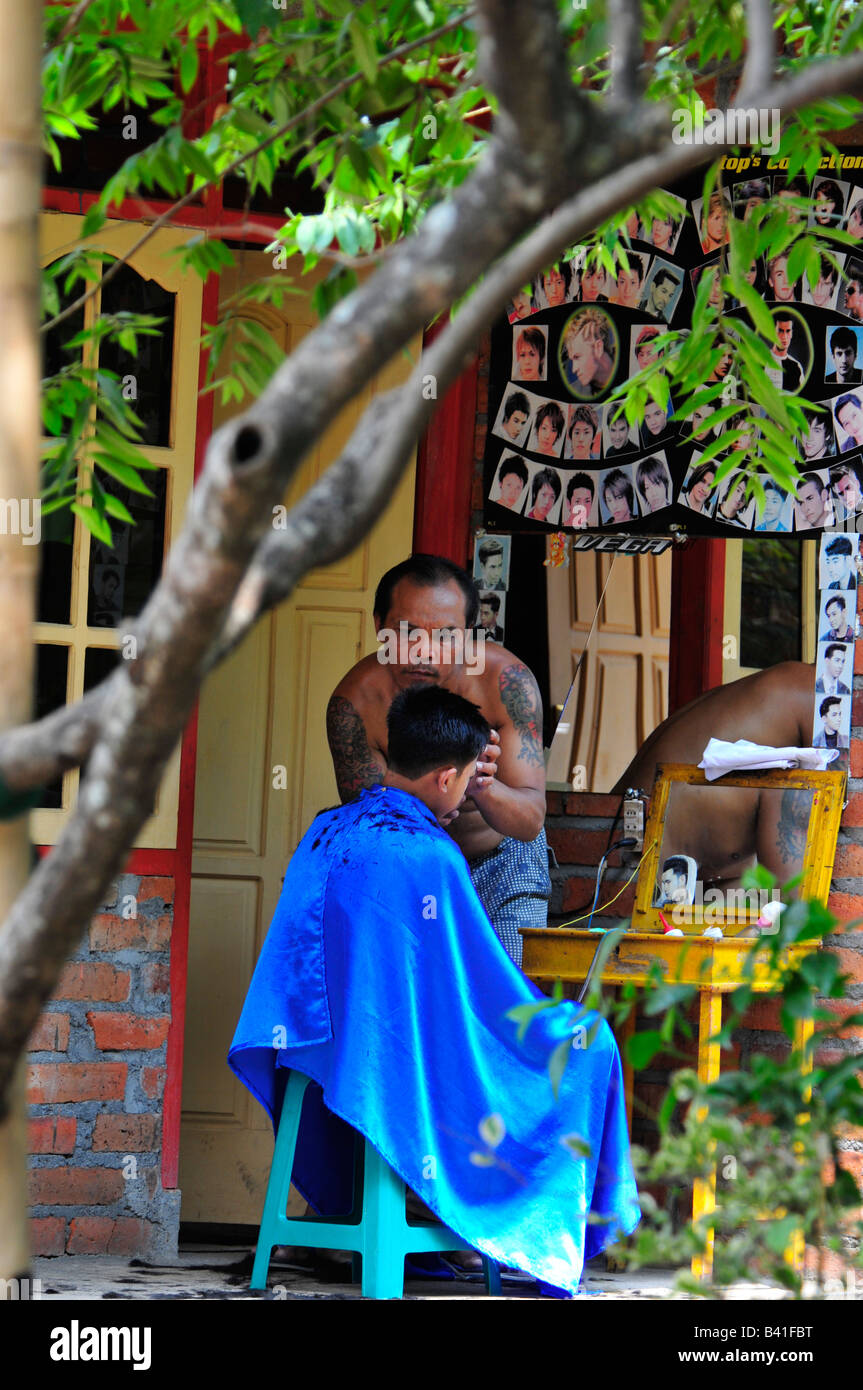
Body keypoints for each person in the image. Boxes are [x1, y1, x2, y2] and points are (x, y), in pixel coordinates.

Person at [232, 685, 640, 1295]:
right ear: (448, 777)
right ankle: (530, 1231)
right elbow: (485, 995)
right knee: (591, 1042)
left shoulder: (323, 832)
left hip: (322, 1049)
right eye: (470, 780)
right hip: (390, 1056)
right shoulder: (428, 855)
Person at [326, 556, 551, 968]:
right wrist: (447, 779)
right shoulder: (356, 703)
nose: (423, 652)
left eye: (446, 636)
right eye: (407, 632)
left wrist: (479, 781)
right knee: (408, 1005)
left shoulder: (507, 682)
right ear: (379, 626)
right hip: (406, 869)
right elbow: (380, 825)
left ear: (469, 635)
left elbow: (529, 821)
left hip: (501, 861)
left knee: (503, 1007)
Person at [611, 662, 821, 891]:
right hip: (635, 867)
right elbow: (792, 905)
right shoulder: (817, 691)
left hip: (622, 849)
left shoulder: (785, 685)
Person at [562, 309, 616, 397]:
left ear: (598, 348)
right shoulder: (575, 391)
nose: (574, 369)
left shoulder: (630, 380)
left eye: (577, 357)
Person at [767, 315, 804, 392]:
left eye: (788, 331)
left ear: (792, 334)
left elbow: (803, 397)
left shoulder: (796, 366)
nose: (784, 337)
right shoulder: (760, 361)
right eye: (780, 331)